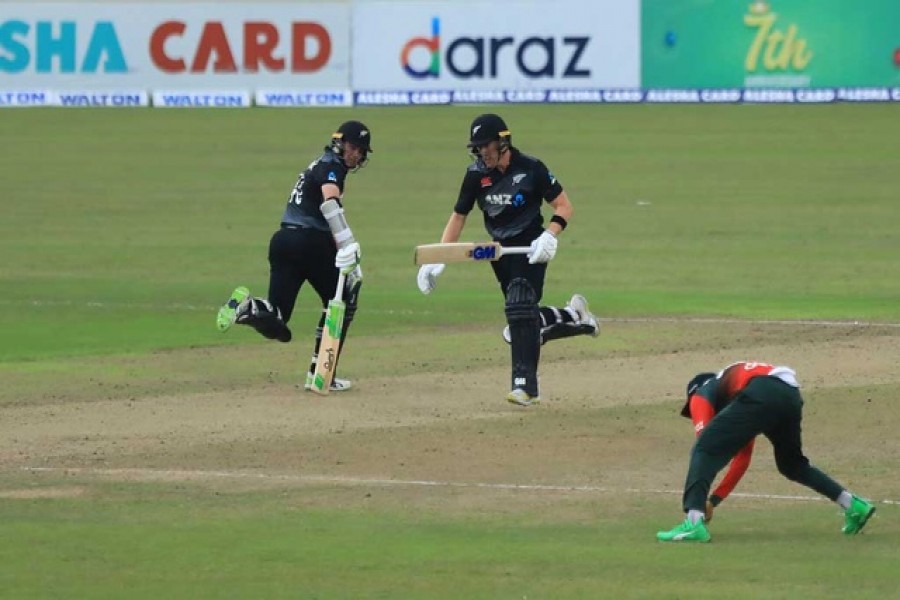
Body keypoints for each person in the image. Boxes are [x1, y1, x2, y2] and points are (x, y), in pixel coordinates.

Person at [416, 113, 600, 407]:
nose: (482, 153)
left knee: (518, 305)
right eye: (477, 148)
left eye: (486, 146)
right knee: (522, 319)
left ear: (503, 141)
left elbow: (564, 206)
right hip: (500, 252)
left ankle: (525, 386)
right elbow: (459, 216)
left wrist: (550, 235)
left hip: (532, 248)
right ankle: (575, 316)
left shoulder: (531, 169)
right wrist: (441, 256)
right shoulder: (476, 174)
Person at [215, 120, 372, 392]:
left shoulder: (317, 164)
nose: (356, 155)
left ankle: (248, 308)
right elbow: (329, 203)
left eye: (361, 151)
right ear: (340, 143)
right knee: (343, 299)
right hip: (310, 242)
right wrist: (347, 245)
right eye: (354, 147)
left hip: (283, 241)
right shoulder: (332, 166)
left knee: (277, 318)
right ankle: (322, 373)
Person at [656, 361, 876, 543]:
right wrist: (713, 501)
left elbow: (706, 446)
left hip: (763, 391)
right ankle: (853, 505)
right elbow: (742, 458)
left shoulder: (701, 393)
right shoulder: (739, 402)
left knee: (703, 448)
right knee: (792, 465)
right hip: (788, 394)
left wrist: (701, 501)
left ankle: (693, 522)